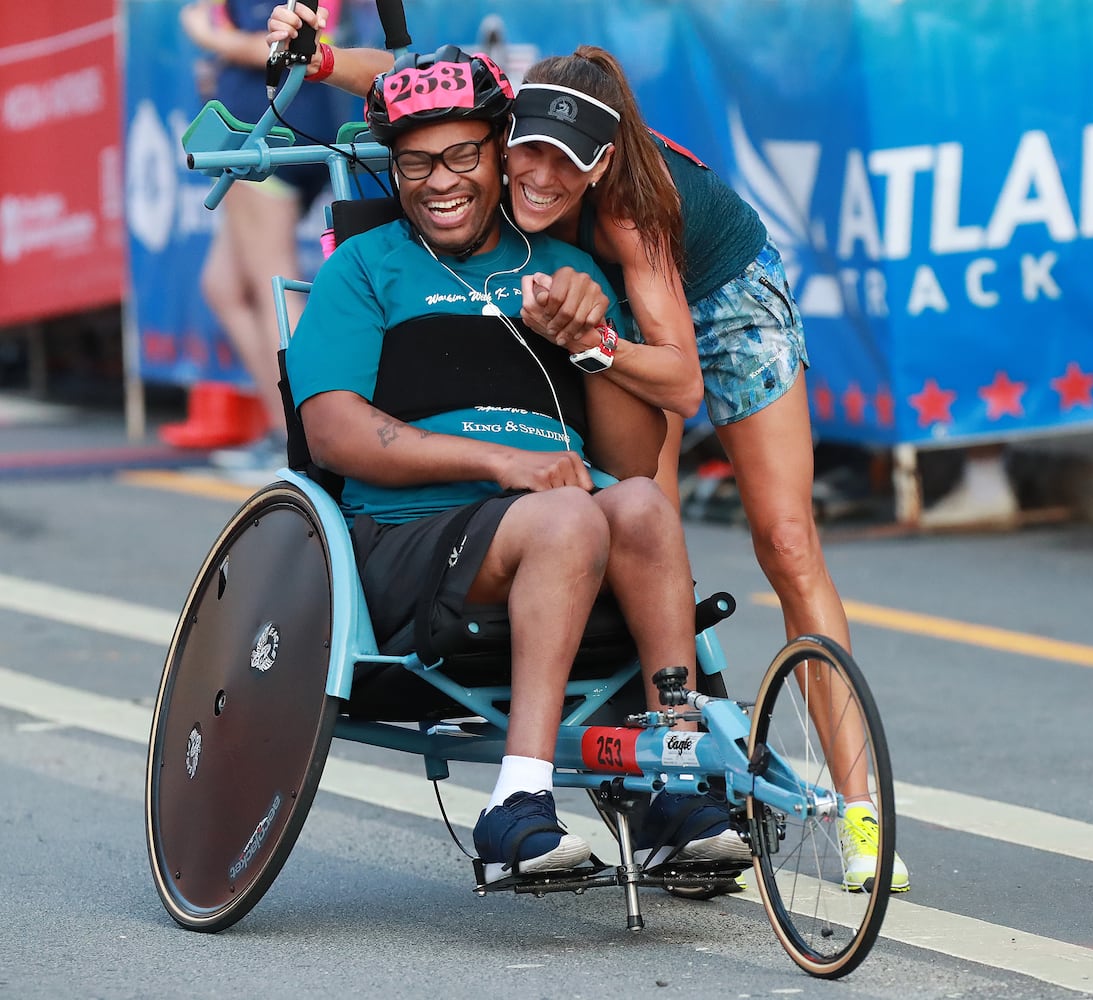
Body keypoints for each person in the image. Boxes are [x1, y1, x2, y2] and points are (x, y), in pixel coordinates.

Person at [265, 5, 907, 893]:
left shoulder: (616, 233)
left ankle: (795, 801)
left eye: (472, 158)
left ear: (593, 163)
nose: (524, 174)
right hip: (455, 519)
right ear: (507, 134)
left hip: (706, 300)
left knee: (718, 524)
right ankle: (559, 792)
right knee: (608, 508)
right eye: (514, 151)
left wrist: (594, 338)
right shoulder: (386, 246)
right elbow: (410, 88)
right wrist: (321, 52)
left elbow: (673, 392)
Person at [284, 47, 748, 881]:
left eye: (463, 156)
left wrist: (590, 342)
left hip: (555, 524)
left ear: (500, 155)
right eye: (416, 163)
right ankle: (517, 801)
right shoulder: (364, 266)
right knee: (570, 514)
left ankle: (675, 780)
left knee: (640, 505)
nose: (439, 181)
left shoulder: (569, 271)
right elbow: (334, 434)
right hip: (412, 539)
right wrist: (505, 464)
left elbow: (632, 458)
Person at [180, 0, 349, 472]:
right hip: (259, 131)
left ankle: (312, 439)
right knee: (225, 286)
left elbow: (297, 48)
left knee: (275, 283)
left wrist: (210, 37)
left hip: (268, 135)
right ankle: (286, 432)